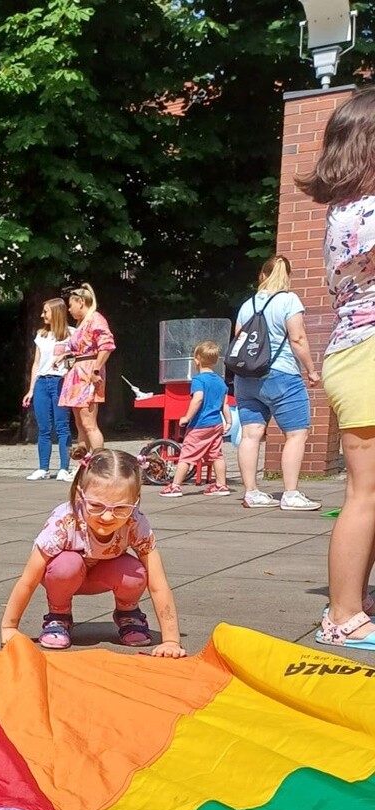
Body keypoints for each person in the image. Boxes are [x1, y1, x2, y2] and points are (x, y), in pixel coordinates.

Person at [298, 89, 375, 650]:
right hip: (367, 350)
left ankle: (353, 602)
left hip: (357, 349)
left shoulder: (345, 212)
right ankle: (344, 614)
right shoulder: (367, 212)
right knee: (365, 491)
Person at [0, 448, 185, 657]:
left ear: (135, 501)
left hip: (104, 575)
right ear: (80, 495)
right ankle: (59, 615)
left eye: (121, 508)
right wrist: (9, 627)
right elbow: (28, 580)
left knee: (135, 571)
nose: (107, 517)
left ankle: (128, 613)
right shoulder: (63, 523)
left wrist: (171, 640)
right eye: (96, 506)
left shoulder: (134, 522)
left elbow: (158, 583)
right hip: (64, 576)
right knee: (67, 564)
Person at [231, 255, 321, 511]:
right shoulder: (288, 300)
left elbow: (239, 337)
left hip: (246, 377)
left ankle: (251, 492)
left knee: (250, 434)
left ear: (263, 275)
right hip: (281, 374)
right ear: (287, 277)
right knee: (295, 434)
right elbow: (298, 339)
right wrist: (312, 371)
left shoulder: (247, 304)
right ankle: (290, 494)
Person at [160, 340, 232, 497]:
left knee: (187, 454)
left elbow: (198, 399)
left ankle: (175, 486)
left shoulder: (199, 380)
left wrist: (186, 417)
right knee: (216, 454)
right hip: (217, 424)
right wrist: (229, 421)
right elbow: (225, 404)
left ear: (197, 360)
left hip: (200, 424)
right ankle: (221, 485)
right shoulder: (220, 381)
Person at [58, 283, 115, 453]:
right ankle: (84, 460)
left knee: (89, 422)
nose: (69, 310)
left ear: (81, 302)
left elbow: (107, 346)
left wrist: (96, 370)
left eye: (71, 305)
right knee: (80, 422)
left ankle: (99, 460)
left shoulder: (95, 319)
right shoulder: (82, 323)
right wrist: (66, 356)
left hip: (88, 372)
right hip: (77, 372)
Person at [22, 297, 74, 481]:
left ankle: (64, 468)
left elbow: (75, 360)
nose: (42, 315)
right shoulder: (41, 335)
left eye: (46, 311)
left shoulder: (71, 334)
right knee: (44, 427)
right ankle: (43, 468)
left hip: (60, 381)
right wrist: (31, 389)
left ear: (56, 313)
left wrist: (66, 359)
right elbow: (36, 364)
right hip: (42, 383)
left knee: (62, 426)